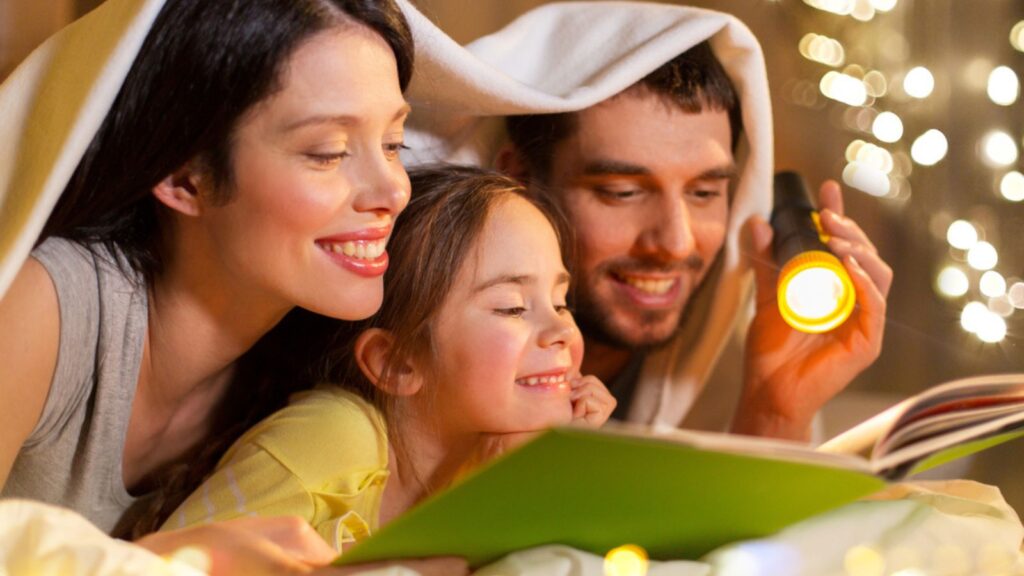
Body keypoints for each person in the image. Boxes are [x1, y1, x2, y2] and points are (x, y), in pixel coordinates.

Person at [0, 0, 432, 571]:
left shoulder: (315, 376)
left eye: (394, 144)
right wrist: (154, 560)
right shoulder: (48, 309)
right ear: (186, 178)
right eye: (328, 153)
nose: (393, 190)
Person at [164, 166, 616, 552]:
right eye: (512, 308)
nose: (562, 332)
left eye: (560, 303)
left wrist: (538, 479)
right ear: (397, 363)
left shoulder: (491, 465)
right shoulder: (333, 438)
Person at [496, 39, 892, 442]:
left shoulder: (732, 364)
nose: (678, 243)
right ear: (519, 181)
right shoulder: (457, 390)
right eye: (622, 192)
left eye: (703, 193)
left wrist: (774, 413)